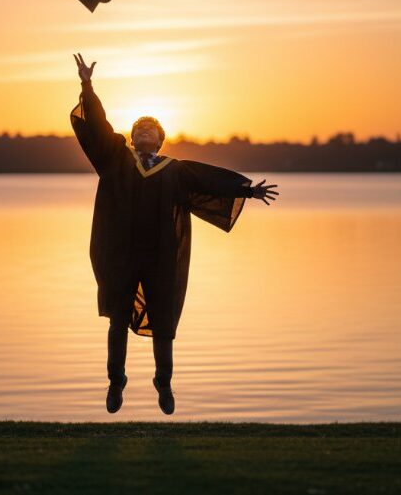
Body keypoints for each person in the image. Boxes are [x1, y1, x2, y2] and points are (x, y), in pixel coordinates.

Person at [70, 53, 278, 415]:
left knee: (163, 324)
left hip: (160, 257)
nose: (143, 132)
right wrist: (87, 85)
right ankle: (115, 381)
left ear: (161, 139)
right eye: (138, 129)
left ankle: (163, 382)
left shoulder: (175, 171)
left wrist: (247, 190)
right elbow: (99, 127)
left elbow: (211, 179)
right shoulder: (116, 159)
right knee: (118, 319)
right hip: (121, 255)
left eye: (150, 129)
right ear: (132, 137)